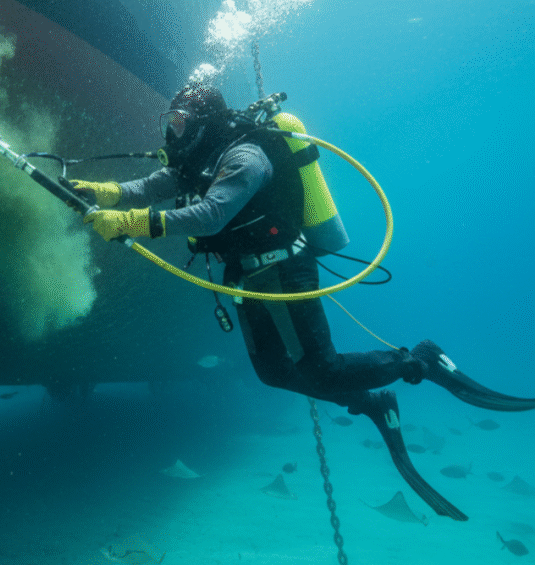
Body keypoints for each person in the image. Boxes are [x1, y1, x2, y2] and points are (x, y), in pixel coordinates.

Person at [73, 79, 534, 521]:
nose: (171, 133)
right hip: (245, 277)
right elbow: (156, 184)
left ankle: (419, 361)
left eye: (178, 122)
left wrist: (134, 223)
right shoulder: (200, 159)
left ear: (203, 121)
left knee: (322, 368)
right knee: (274, 373)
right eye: (169, 123)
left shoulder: (246, 156)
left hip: (285, 268)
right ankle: (371, 402)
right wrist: (106, 192)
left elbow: (213, 215)